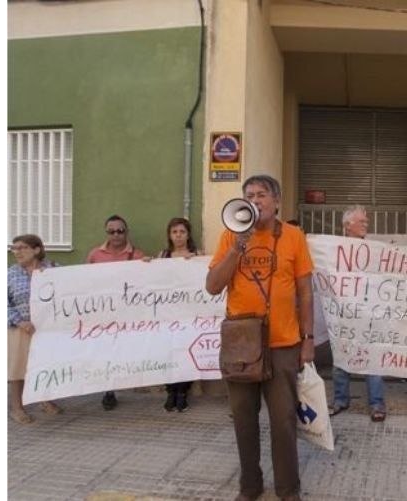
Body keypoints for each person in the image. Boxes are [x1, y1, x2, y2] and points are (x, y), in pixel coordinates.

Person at [206, 175, 314, 501]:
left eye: (262, 195)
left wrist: (307, 339)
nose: (256, 200)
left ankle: (288, 490)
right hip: (242, 344)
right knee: (243, 419)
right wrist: (237, 248)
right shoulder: (231, 236)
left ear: (277, 201)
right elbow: (212, 285)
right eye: (249, 195)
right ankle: (249, 487)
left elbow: (305, 291)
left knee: (283, 423)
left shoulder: (294, 236)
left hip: (283, 343)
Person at [328, 205, 387, 422]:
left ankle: (377, 403)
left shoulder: (374, 252)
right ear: (347, 225)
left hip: (369, 316)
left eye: (366, 221)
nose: (366, 224)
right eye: (361, 221)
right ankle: (341, 399)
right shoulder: (333, 250)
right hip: (343, 315)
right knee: (341, 358)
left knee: (372, 360)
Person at [86, 214, 146, 411]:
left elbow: (146, 281)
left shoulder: (137, 255)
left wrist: (151, 266)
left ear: (126, 232)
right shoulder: (95, 255)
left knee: (123, 350)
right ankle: (108, 391)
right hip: (102, 313)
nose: (116, 235)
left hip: (127, 313)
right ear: (106, 233)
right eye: (112, 231)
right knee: (105, 351)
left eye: (120, 231)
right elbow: (83, 281)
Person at [7, 234, 62, 424]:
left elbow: (74, 287)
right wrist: (18, 321)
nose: (17, 252)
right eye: (14, 249)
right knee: (18, 370)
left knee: (46, 366)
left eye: (22, 247)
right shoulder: (11, 274)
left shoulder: (54, 269)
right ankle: (17, 408)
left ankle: (44, 399)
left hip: (47, 329)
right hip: (21, 329)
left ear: (37, 249)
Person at [156, 217, 200, 412]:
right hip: (168, 315)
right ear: (169, 235)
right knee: (168, 352)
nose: (178, 235)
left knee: (186, 352)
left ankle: (183, 391)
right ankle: (170, 391)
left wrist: (196, 263)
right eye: (174, 232)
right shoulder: (164, 255)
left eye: (182, 232)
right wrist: (148, 264)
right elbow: (152, 280)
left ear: (188, 234)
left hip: (189, 314)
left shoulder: (197, 255)